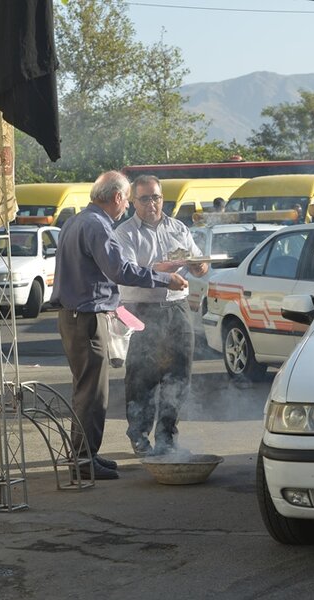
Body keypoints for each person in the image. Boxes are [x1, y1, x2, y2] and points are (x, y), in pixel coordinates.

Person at [51, 171, 188, 480]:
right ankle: (84, 462)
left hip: (75, 316)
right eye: (127, 200)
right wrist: (164, 278)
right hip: (86, 318)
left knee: (86, 390)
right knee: (93, 394)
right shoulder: (97, 225)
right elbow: (120, 271)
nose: (126, 206)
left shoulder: (75, 221)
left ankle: (86, 454)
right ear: (116, 197)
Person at [113, 175, 209, 458]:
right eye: (144, 198)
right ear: (133, 202)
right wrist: (166, 273)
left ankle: (167, 437)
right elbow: (129, 272)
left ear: (162, 198)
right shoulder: (125, 233)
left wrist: (200, 267)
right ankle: (139, 436)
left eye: (155, 197)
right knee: (141, 376)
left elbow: (197, 260)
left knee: (179, 374)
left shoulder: (178, 227)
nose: (151, 203)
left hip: (177, 308)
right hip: (141, 310)